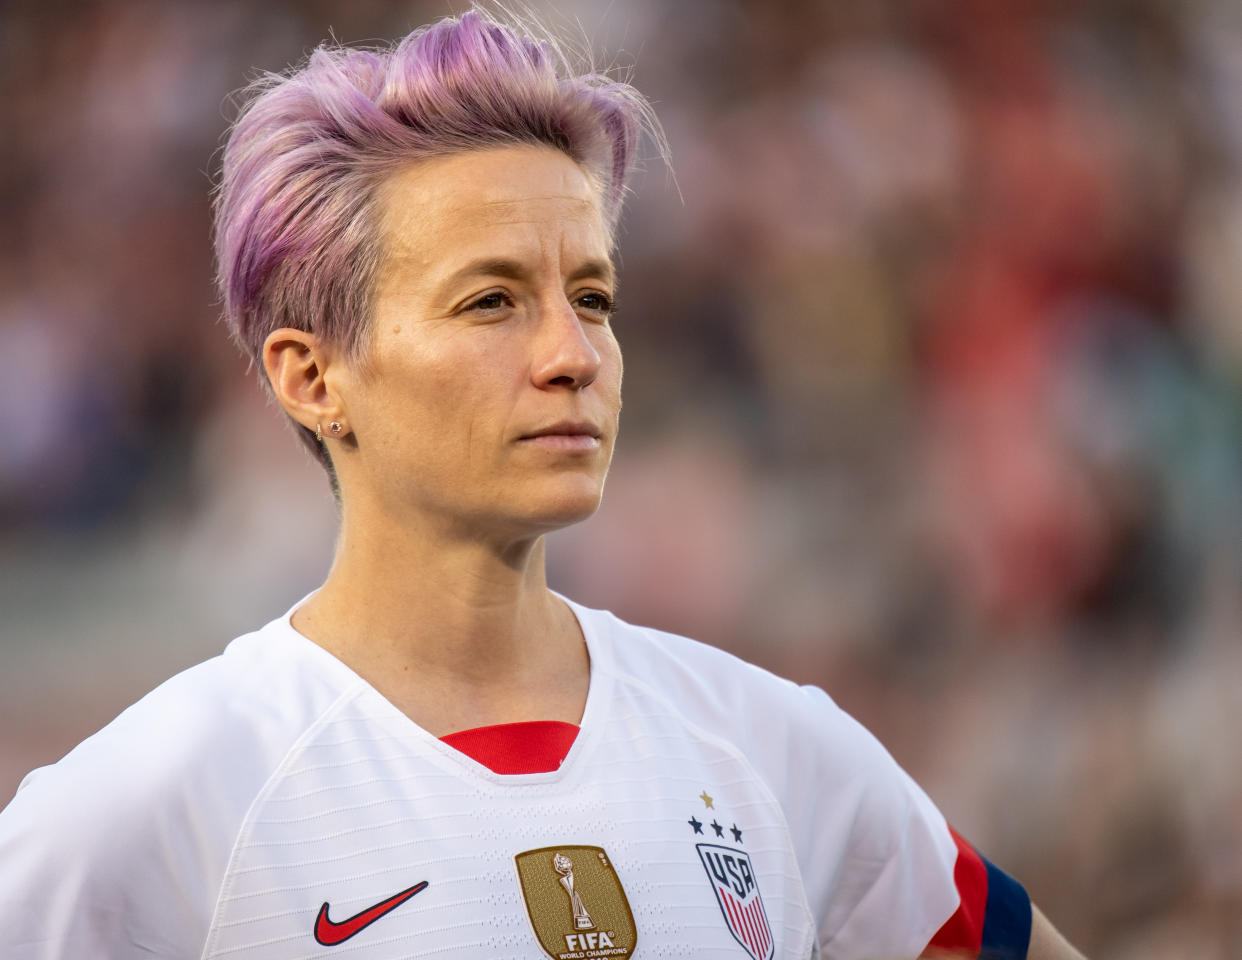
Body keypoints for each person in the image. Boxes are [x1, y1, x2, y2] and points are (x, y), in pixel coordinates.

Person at [0, 8, 1086, 959]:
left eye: (595, 297)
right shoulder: (150, 802)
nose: (575, 354)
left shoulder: (774, 749)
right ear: (311, 374)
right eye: (491, 302)